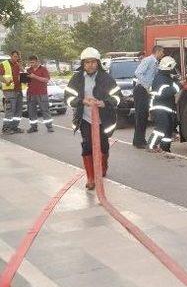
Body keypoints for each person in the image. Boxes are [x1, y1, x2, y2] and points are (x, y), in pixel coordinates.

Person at [64, 47, 121, 190]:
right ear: (83, 64)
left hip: (103, 119)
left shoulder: (106, 78)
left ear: (98, 63)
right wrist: (81, 101)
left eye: (93, 62)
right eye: (87, 62)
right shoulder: (77, 79)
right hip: (85, 118)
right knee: (87, 145)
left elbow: (117, 97)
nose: (90, 65)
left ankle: (102, 168)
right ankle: (90, 177)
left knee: (103, 145)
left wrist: (104, 102)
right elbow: (68, 97)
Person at [133, 45, 164, 148]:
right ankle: (139, 142)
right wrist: (147, 86)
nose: (163, 54)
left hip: (145, 90)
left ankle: (139, 140)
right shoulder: (148, 60)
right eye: (162, 52)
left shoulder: (155, 63)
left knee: (144, 116)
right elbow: (138, 73)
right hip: (141, 90)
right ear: (158, 52)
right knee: (140, 116)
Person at [147, 56, 180, 153]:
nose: (174, 70)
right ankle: (151, 145)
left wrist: (176, 80)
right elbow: (165, 93)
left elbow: (169, 85)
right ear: (169, 67)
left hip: (166, 107)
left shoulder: (164, 77)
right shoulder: (161, 79)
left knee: (168, 128)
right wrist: (179, 85)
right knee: (162, 127)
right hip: (160, 107)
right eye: (172, 67)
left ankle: (165, 147)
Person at [26, 55, 54, 133]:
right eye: (30, 62)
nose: (31, 64)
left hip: (42, 94)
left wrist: (35, 76)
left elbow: (46, 80)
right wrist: (24, 78)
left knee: (45, 110)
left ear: (37, 61)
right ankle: (33, 127)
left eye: (33, 62)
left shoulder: (43, 69)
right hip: (31, 93)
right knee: (31, 111)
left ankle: (49, 127)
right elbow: (27, 81)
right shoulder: (28, 70)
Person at [1, 50, 24, 134]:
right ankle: (6, 128)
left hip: (18, 90)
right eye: (15, 56)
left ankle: (14, 127)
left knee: (18, 110)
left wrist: (21, 66)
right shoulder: (4, 64)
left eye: (17, 57)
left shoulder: (18, 65)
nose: (16, 58)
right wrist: (6, 81)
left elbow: (23, 74)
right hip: (9, 91)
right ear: (11, 56)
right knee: (10, 110)